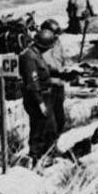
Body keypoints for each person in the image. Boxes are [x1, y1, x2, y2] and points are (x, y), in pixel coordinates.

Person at [19, 29, 59, 162]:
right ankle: (35, 156)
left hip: (45, 96)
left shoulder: (36, 54)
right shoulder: (28, 56)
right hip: (37, 98)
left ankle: (51, 151)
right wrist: (40, 102)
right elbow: (32, 81)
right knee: (39, 129)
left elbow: (43, 70)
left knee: (51, 127)